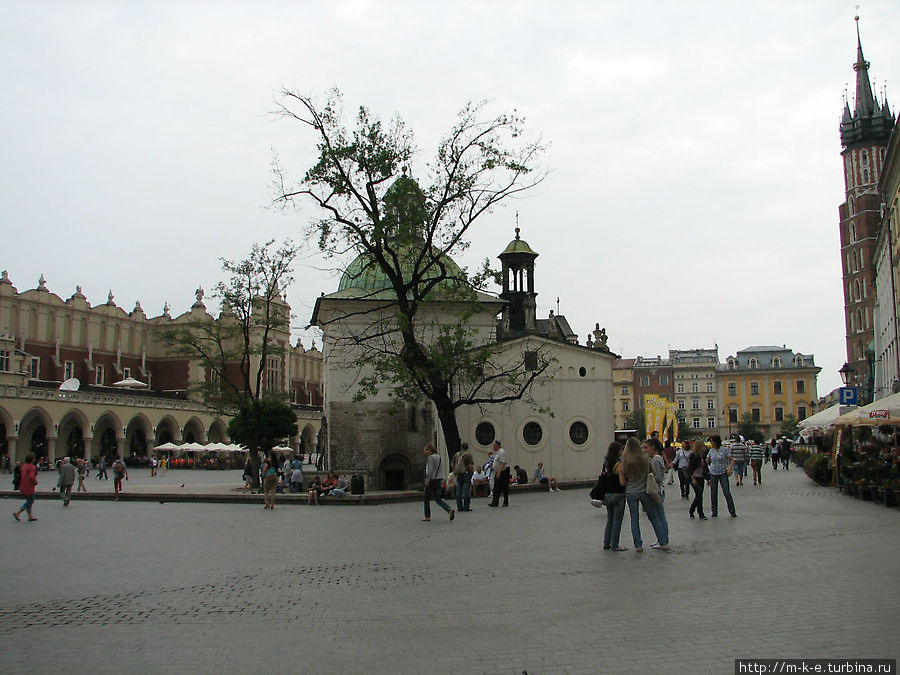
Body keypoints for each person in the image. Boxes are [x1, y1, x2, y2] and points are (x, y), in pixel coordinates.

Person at [618, 437, 668, 551]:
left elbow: (623, 480)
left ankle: (638, 545)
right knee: (654, 517)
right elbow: (651, 475)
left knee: (634, 519)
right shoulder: (645, 459)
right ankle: (663, 541)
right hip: (644, 491)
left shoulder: (624, 461)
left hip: (631, 492)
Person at [642, 437, 671, 550]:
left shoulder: (656, 460)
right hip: (659, 489)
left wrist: (650, 476)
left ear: (653, 447)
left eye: (646, 447)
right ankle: (662, 538)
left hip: (657, 490)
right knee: (660, 515)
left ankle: (662, 538)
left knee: (659, 515)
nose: (645, 450)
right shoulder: (656, 459)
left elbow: (658, 477)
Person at [601, 442, 627, 551]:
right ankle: (615, 545)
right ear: (617, 451)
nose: (622, 451)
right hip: (618, 494)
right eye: (621, 449)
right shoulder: (619, 465)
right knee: (617, 521)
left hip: (607, 494)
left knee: (609, 520)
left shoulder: (606, 463)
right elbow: (622, 483)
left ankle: (606, 543)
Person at [422, 443, 454, 522]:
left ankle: (427, 516)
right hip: (439, 479)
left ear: (429, 450)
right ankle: (449, 509)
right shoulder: (439, 457)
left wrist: (427, 480)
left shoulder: (431, 458)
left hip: (432, 480)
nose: (425, 451)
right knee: (438, 499)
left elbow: (430, 470)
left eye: (426, 450)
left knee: (426, 499)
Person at [706, 434, 737, 518]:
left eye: (712, 441)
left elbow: (732, 459)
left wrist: (730, 467)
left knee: (726, 491)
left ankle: (732, 511)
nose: (711, 443)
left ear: (716, 441)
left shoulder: (724, 450)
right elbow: (707, 461)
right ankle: (714, 511)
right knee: (713, 493)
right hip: (713, 473)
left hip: (723, 472)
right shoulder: (711, 451)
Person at [13, 453, 38, 522]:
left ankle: (30, 516)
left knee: (28, 500)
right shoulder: (32, 467)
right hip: (29, 486)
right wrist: (35, 482)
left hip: (23, 485)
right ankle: (18, 513)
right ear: (32, 459)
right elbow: (31, 476)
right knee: (30, 501)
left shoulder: (24, 466)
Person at [688, 440, 708, 520]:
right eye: (703, 446)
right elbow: (690, 468)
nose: (705, 448)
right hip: (694, 477)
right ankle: (700, 513)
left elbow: (705, 468)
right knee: (699, 494)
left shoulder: (702, 456)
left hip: (701, 477)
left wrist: (708, 478)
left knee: (699, 495)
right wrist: (692, 479)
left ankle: (692, 510)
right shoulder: (693, 456)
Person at [487, 440, 510, 508]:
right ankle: (495, 502)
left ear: (498, 446)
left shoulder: (501, 452)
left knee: (504, 486)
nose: (493, 447)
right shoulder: (497, 453)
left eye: (494, 445)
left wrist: (499, 472)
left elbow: (503, 463)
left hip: (503, 471)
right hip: (498, 471)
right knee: (497, 486)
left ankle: (505, 501)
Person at [452, 442, 474, 512]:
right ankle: (466, 507)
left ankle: (459, 507)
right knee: (466, 490)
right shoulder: (468, 455)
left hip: (459, 474)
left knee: (459, 490)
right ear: (467, 448)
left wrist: (454, 471)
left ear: (461, 447)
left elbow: (452, 464)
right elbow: (470, 465)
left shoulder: (457, 455)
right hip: (466, 473)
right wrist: (472, 472)